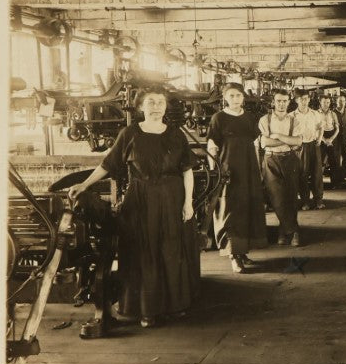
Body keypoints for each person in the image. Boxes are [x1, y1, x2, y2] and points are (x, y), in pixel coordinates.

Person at [66, 89, 195, 327]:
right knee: (143, 251)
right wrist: (84, 184)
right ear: (140, 108)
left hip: (172, 197)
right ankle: (146, 310)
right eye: (151, 102)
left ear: (166, 107)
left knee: (170, 249)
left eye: (160, 102)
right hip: (140, 198)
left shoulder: (176, 135)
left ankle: (172, 306)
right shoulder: (130, 134)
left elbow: (187, 172)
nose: (156, 106)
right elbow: (108, 164)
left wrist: (188, 203)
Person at [206, 83, 268, 273]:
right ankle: (234, 255)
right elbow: (212, 145)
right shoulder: (219, 118)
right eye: (231, 96)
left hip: (249, 170)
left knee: (248, 208)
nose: (235, 99)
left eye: (239, 96)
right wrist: (215, 172)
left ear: (243, 98)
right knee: (230, 211)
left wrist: (259, 168)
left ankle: (243, 251)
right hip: (228, 170)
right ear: (225, 98)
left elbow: (256, 144)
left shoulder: (249, 118)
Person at [258, 90, 303, 247]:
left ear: (289, 102)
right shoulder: (265, 120)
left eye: (285, 101)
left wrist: (277, 136)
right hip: (271, 159)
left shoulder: (294, 120)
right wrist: (287, 140)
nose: (282, 104)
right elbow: (265, 143)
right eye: (279, 101)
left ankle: (283, 231)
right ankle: (293, 231)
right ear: (273, 102)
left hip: (290, 159)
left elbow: (298, 142)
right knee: (276, 197)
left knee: (290, 196)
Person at [293, 91, 326, 209]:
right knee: (302, 174)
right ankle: (305, 201)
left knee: (317, 173)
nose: (304, 101)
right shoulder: (292, 116)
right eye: (301, 99)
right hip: (299, 147)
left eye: (306, 99)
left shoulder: (315, 114)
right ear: (296, 100)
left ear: (309, 100)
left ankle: (319, 200)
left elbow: (321, 127)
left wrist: (320, 138)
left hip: (313, 145)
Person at [319, 94, 344, 188]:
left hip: (332, 137)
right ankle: (319, 184)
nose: (326, 104)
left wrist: (331, 139)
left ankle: (335, 183)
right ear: (320, 103)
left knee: (334, 161)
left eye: (328, 102)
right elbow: (315, 129)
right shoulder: (316, 113)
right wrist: (324, 139)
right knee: (320, 162)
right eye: (324, 102)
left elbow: (337, 128)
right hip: (320, 137)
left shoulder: (333, 114)